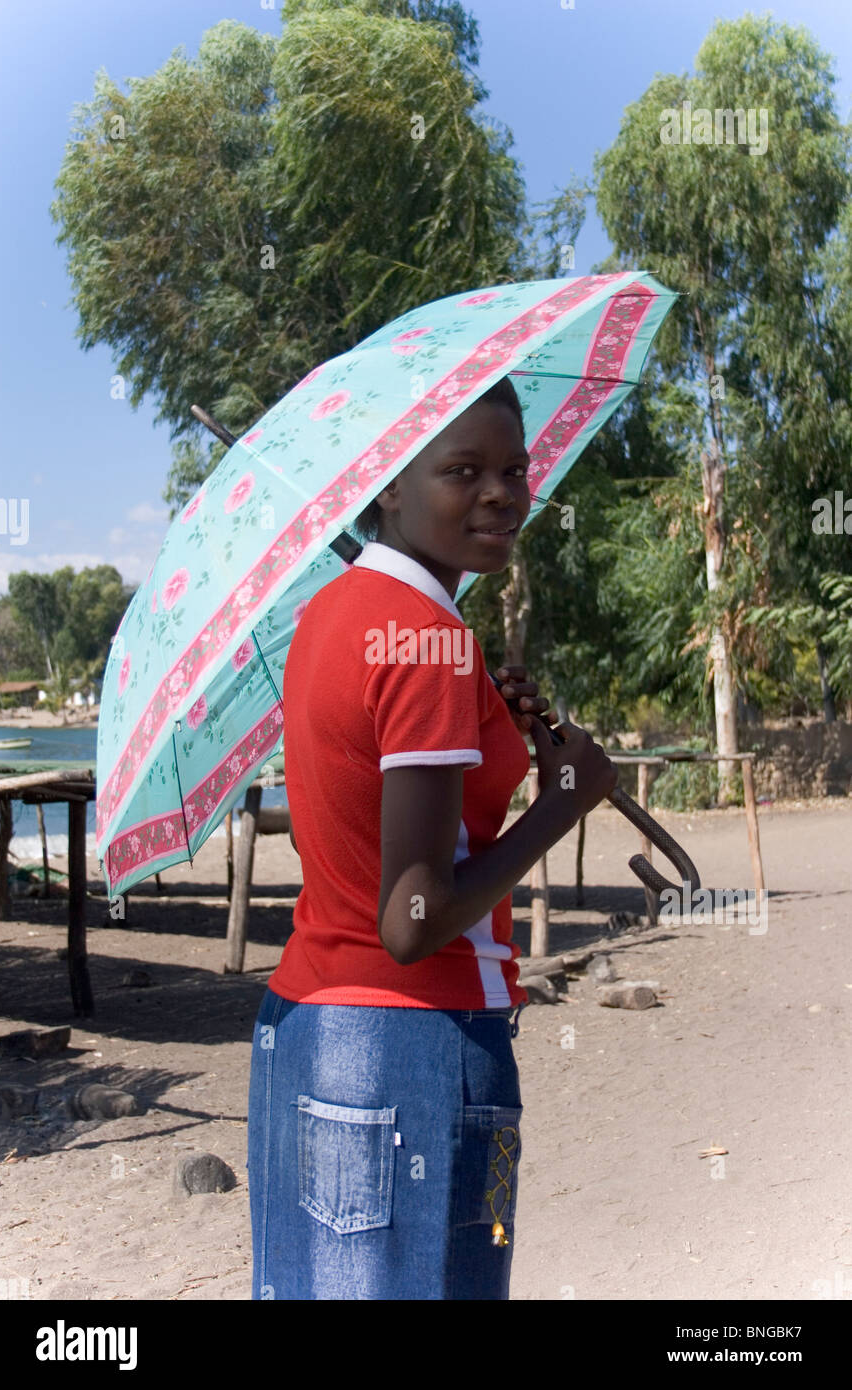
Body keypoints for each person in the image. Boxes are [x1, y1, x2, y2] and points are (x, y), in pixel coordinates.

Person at [246, 375, 618, 1299]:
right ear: (386, 485)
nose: (500, 491)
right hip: (416, 1050)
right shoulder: (426, 635)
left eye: (513, 468)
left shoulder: (337, 617)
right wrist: (564, 804)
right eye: (461, 469)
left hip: (307, 1029)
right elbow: (413, 920)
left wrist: (487, 716)